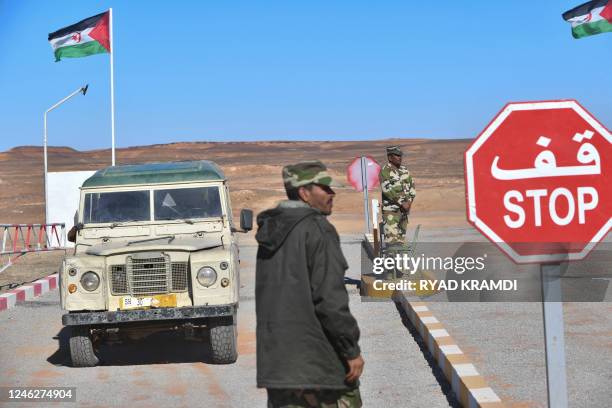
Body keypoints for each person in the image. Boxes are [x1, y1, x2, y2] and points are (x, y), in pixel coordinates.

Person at [255, 160, 364, 408]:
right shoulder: (317, 229)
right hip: (318, 365)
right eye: (324, 188)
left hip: (280, 366)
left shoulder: (270, 232)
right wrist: (350, 350)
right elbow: (330, 300)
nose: (331, 194)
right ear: (304, 193)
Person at [379, 145, 416, 247]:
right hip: (391, 212)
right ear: (390, 157)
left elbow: (412, 187)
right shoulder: (385, 171)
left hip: (403, 212)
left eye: (400, 156)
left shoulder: (405, 170)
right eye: (396, 155)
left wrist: (409, 202)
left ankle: (400, 262)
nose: (400, 158)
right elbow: (387, 190)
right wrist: (402, 202)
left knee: (401, 241)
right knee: (392, 242)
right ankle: (392, 262)